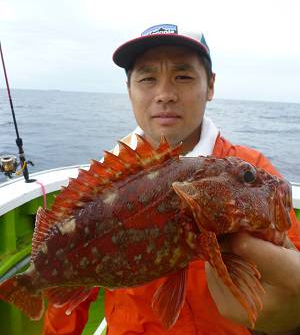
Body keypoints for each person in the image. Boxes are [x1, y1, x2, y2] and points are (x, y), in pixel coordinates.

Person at [43, 24, 300, 335]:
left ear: (211, 86)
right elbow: (64, 301)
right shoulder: (100, 187)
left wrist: (292, 321)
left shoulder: (252, 171)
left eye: (184, 76)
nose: (165, 94)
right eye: (148, 78)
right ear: (129, 89)